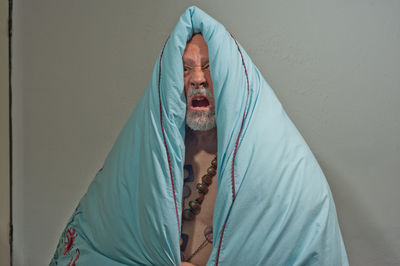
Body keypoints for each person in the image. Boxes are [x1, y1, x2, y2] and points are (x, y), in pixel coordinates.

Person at [50, 6, 348, 266]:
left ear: (230, 79)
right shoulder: (149, 155)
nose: (197, 78)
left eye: (208, 66)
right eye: (185, 68)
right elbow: (101, 242)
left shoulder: (286, 172)